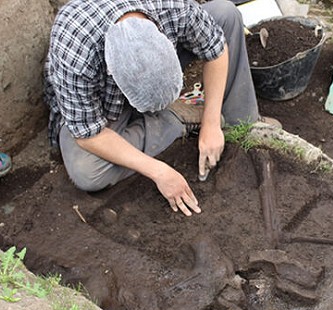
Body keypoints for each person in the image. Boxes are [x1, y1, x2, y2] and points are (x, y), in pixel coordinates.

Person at [44, 0, 280, 217]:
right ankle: (177, 117)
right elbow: (88, 134)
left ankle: (241, 121)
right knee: (86, 171)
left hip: (151, 50)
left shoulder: (172, 7)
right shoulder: (75, 50)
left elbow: (215, 47)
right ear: (112, 72)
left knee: (226, 13)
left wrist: (211, 125)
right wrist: (159, 171)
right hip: (100, 105)